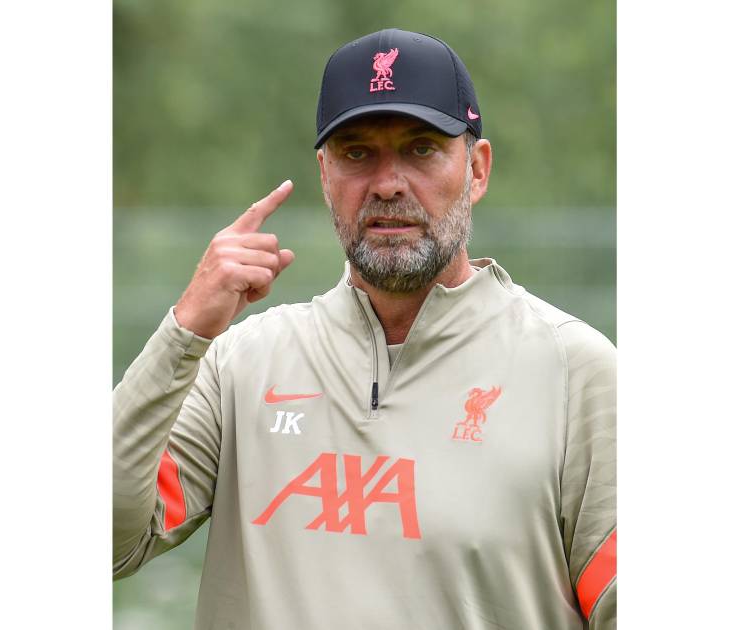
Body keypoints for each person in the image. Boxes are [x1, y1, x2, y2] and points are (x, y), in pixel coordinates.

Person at [114, 28, 616, 629]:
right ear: (324, 173)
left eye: (421, 149)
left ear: (477, 170)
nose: (387, 183)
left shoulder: (575, 373)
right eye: (357, 154)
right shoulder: (240, 365)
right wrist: (185, 331)